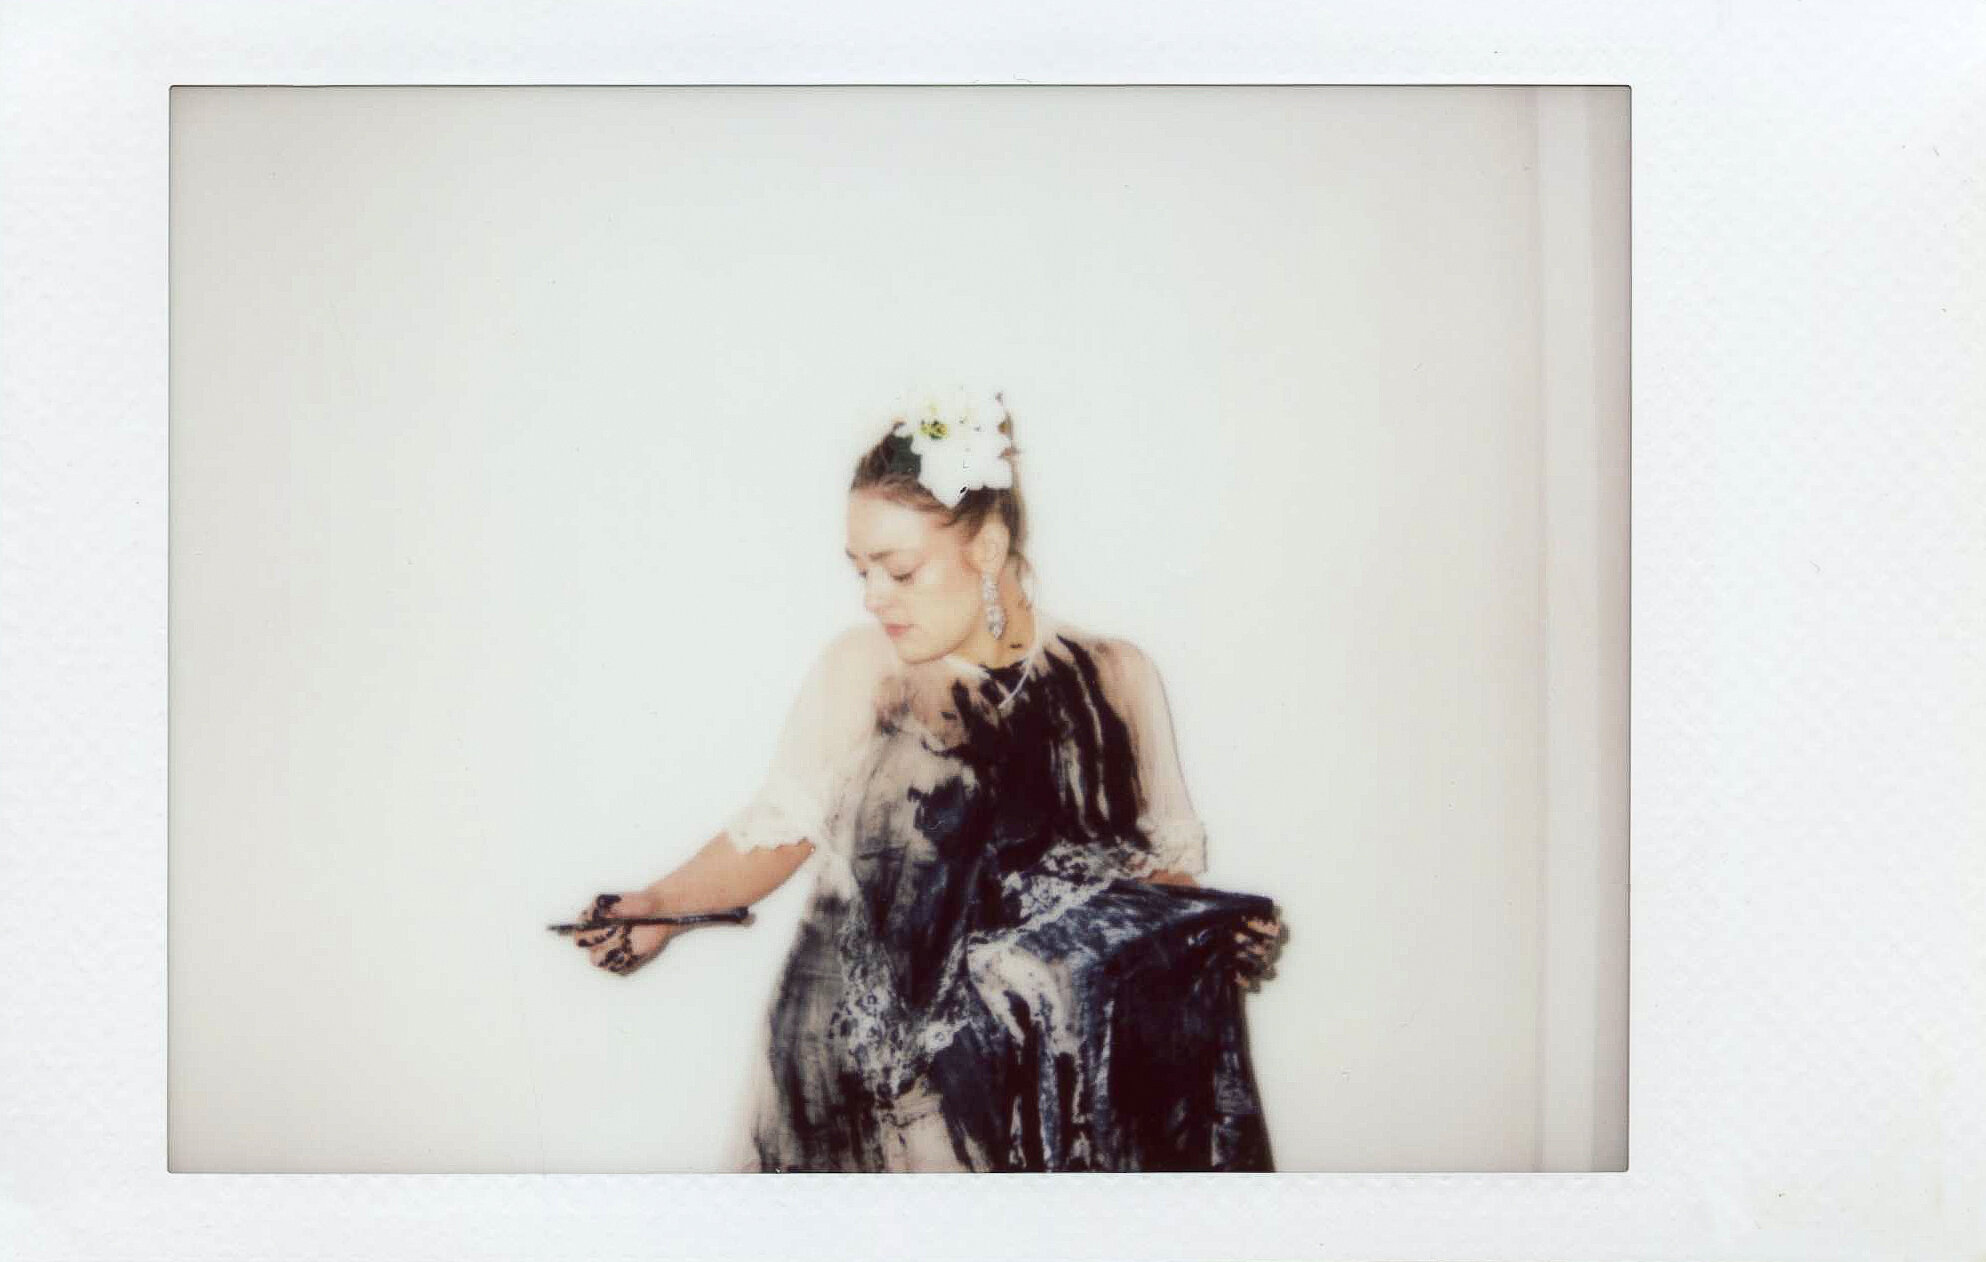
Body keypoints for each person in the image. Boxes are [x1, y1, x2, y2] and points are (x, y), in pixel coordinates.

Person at [570, 387, 1286, 1171]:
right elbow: (777, 829)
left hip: (1051, 1102)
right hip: (866, 1108)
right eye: (861, 571)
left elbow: (1155, 889)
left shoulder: (1115, 679)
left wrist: (1211, 938)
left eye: (900, 571)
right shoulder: (864, 673)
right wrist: (661, 907)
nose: (873, 597)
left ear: (988, 548)